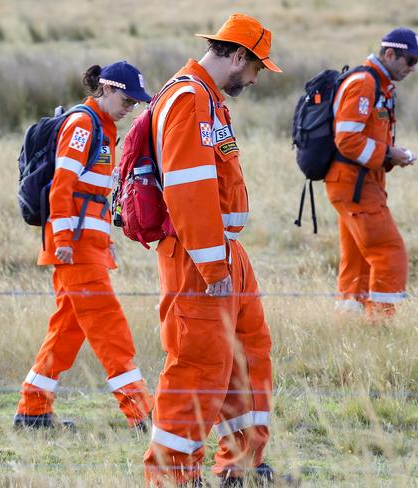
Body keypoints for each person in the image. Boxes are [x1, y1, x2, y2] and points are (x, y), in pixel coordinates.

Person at [143, 13, 280, 487]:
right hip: (199, 257)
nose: (257, 79)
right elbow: (188, 188)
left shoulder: (207, 99)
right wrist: (210, 262)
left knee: (249, 355)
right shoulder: (188, 99)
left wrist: (223, 258)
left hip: (224, 253)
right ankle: (173, 479)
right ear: (238, 55)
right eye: (257, 67)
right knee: (197, 368)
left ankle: (241, 467)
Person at [14, 61, 154, 430]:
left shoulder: (103, 128)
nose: (130, 107)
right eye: (127, 99)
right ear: (106, 89)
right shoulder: (83, 125)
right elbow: (62, 185)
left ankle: (33, 411)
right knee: (111, 329)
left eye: (136, 103)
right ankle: (143, 414)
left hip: (88, 247)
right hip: (74, 249)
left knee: (67, 331)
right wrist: (62, 240)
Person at [324, 28, 418, 318]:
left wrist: (389, 158)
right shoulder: (364, 84)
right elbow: (347, 140)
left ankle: (350, 321)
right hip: (353, 184)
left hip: (356, 183)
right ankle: (381, 324)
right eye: (409, 60)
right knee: (388, 250)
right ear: (389, 54)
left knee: (358, 258)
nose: (412, 68)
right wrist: (388, 154)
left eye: (416, 62)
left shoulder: (379, 86)